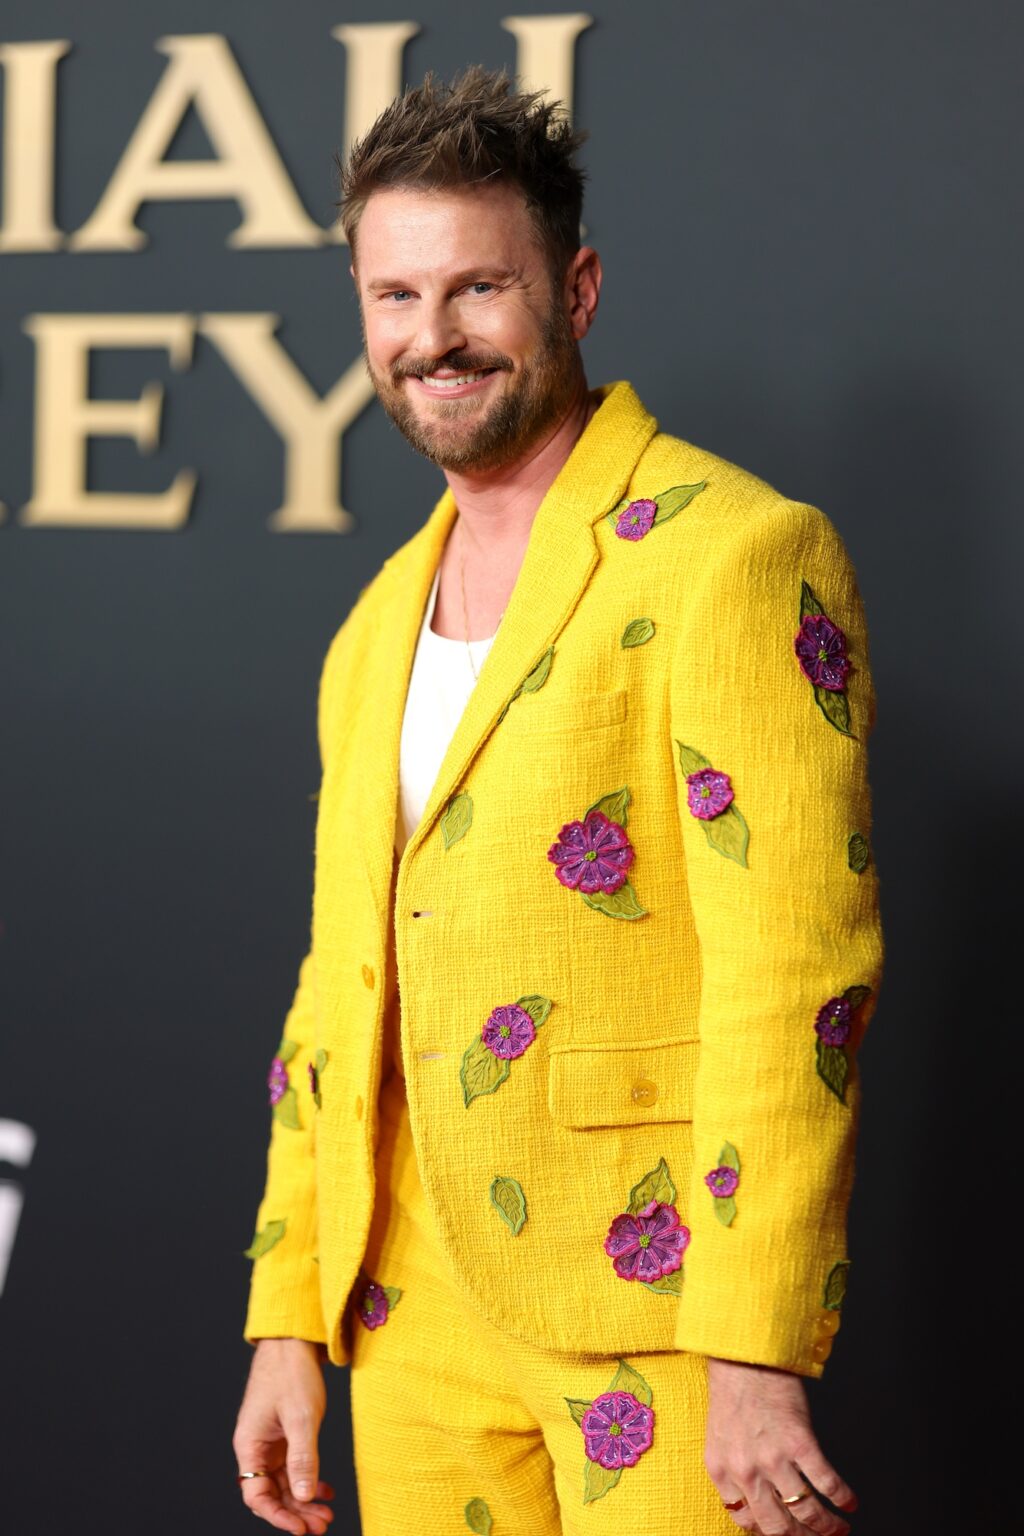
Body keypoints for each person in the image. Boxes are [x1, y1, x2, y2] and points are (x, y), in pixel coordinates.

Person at [232, 67, 883, 1536]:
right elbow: (334, 996)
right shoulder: (370, 627)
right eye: (394, 298)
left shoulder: (736, 553)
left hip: (655, 1313)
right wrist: (290, 1314)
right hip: (404, 1319)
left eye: (478, 289)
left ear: (575, 288)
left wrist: (757, 1346)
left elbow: (802, 979)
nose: (432, 338)